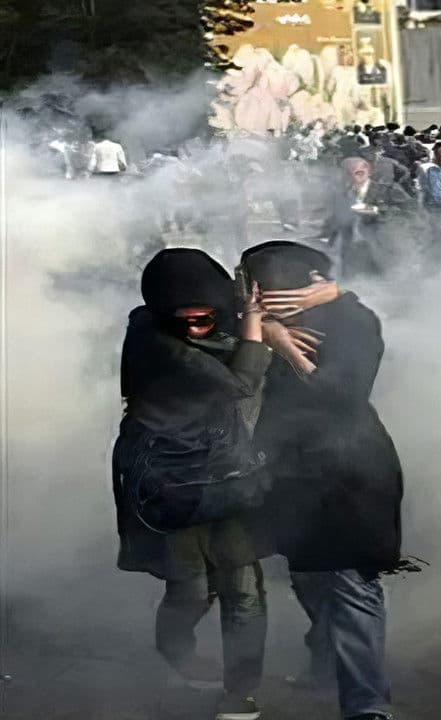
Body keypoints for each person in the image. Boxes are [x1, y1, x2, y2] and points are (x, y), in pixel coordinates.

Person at [112, 249, 297, 720]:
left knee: (243, 590)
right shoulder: (156, 342)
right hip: (170, 486)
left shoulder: (212, 330)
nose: (196, 327)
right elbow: (241, 382)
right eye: (185, 319)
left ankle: (240, 691)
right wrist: (254, 324)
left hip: (228, 477)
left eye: (205, 317)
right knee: (190, 590)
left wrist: (257, 312)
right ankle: (174, 648)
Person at [239, 242, 404, 720]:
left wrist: (286, 347)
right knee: (308, 576)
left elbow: (343, 394)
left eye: (265, 288)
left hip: (350, 473)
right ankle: (326, 660)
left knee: (352, 583)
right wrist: (260, 327)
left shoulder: (352, 322)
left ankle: (367, 705)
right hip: (289, 474)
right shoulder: (254, 320)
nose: (256, 297)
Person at [320, 157, 414, 277]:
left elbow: (411, 214)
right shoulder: (341, 195)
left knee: (382, 282)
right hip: (351, 252)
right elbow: (336, 221)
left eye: (359, 173)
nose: (354, 177)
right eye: (348, 174)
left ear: (369, 172)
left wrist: (376, 211)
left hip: (383, 249)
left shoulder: (388, 191)